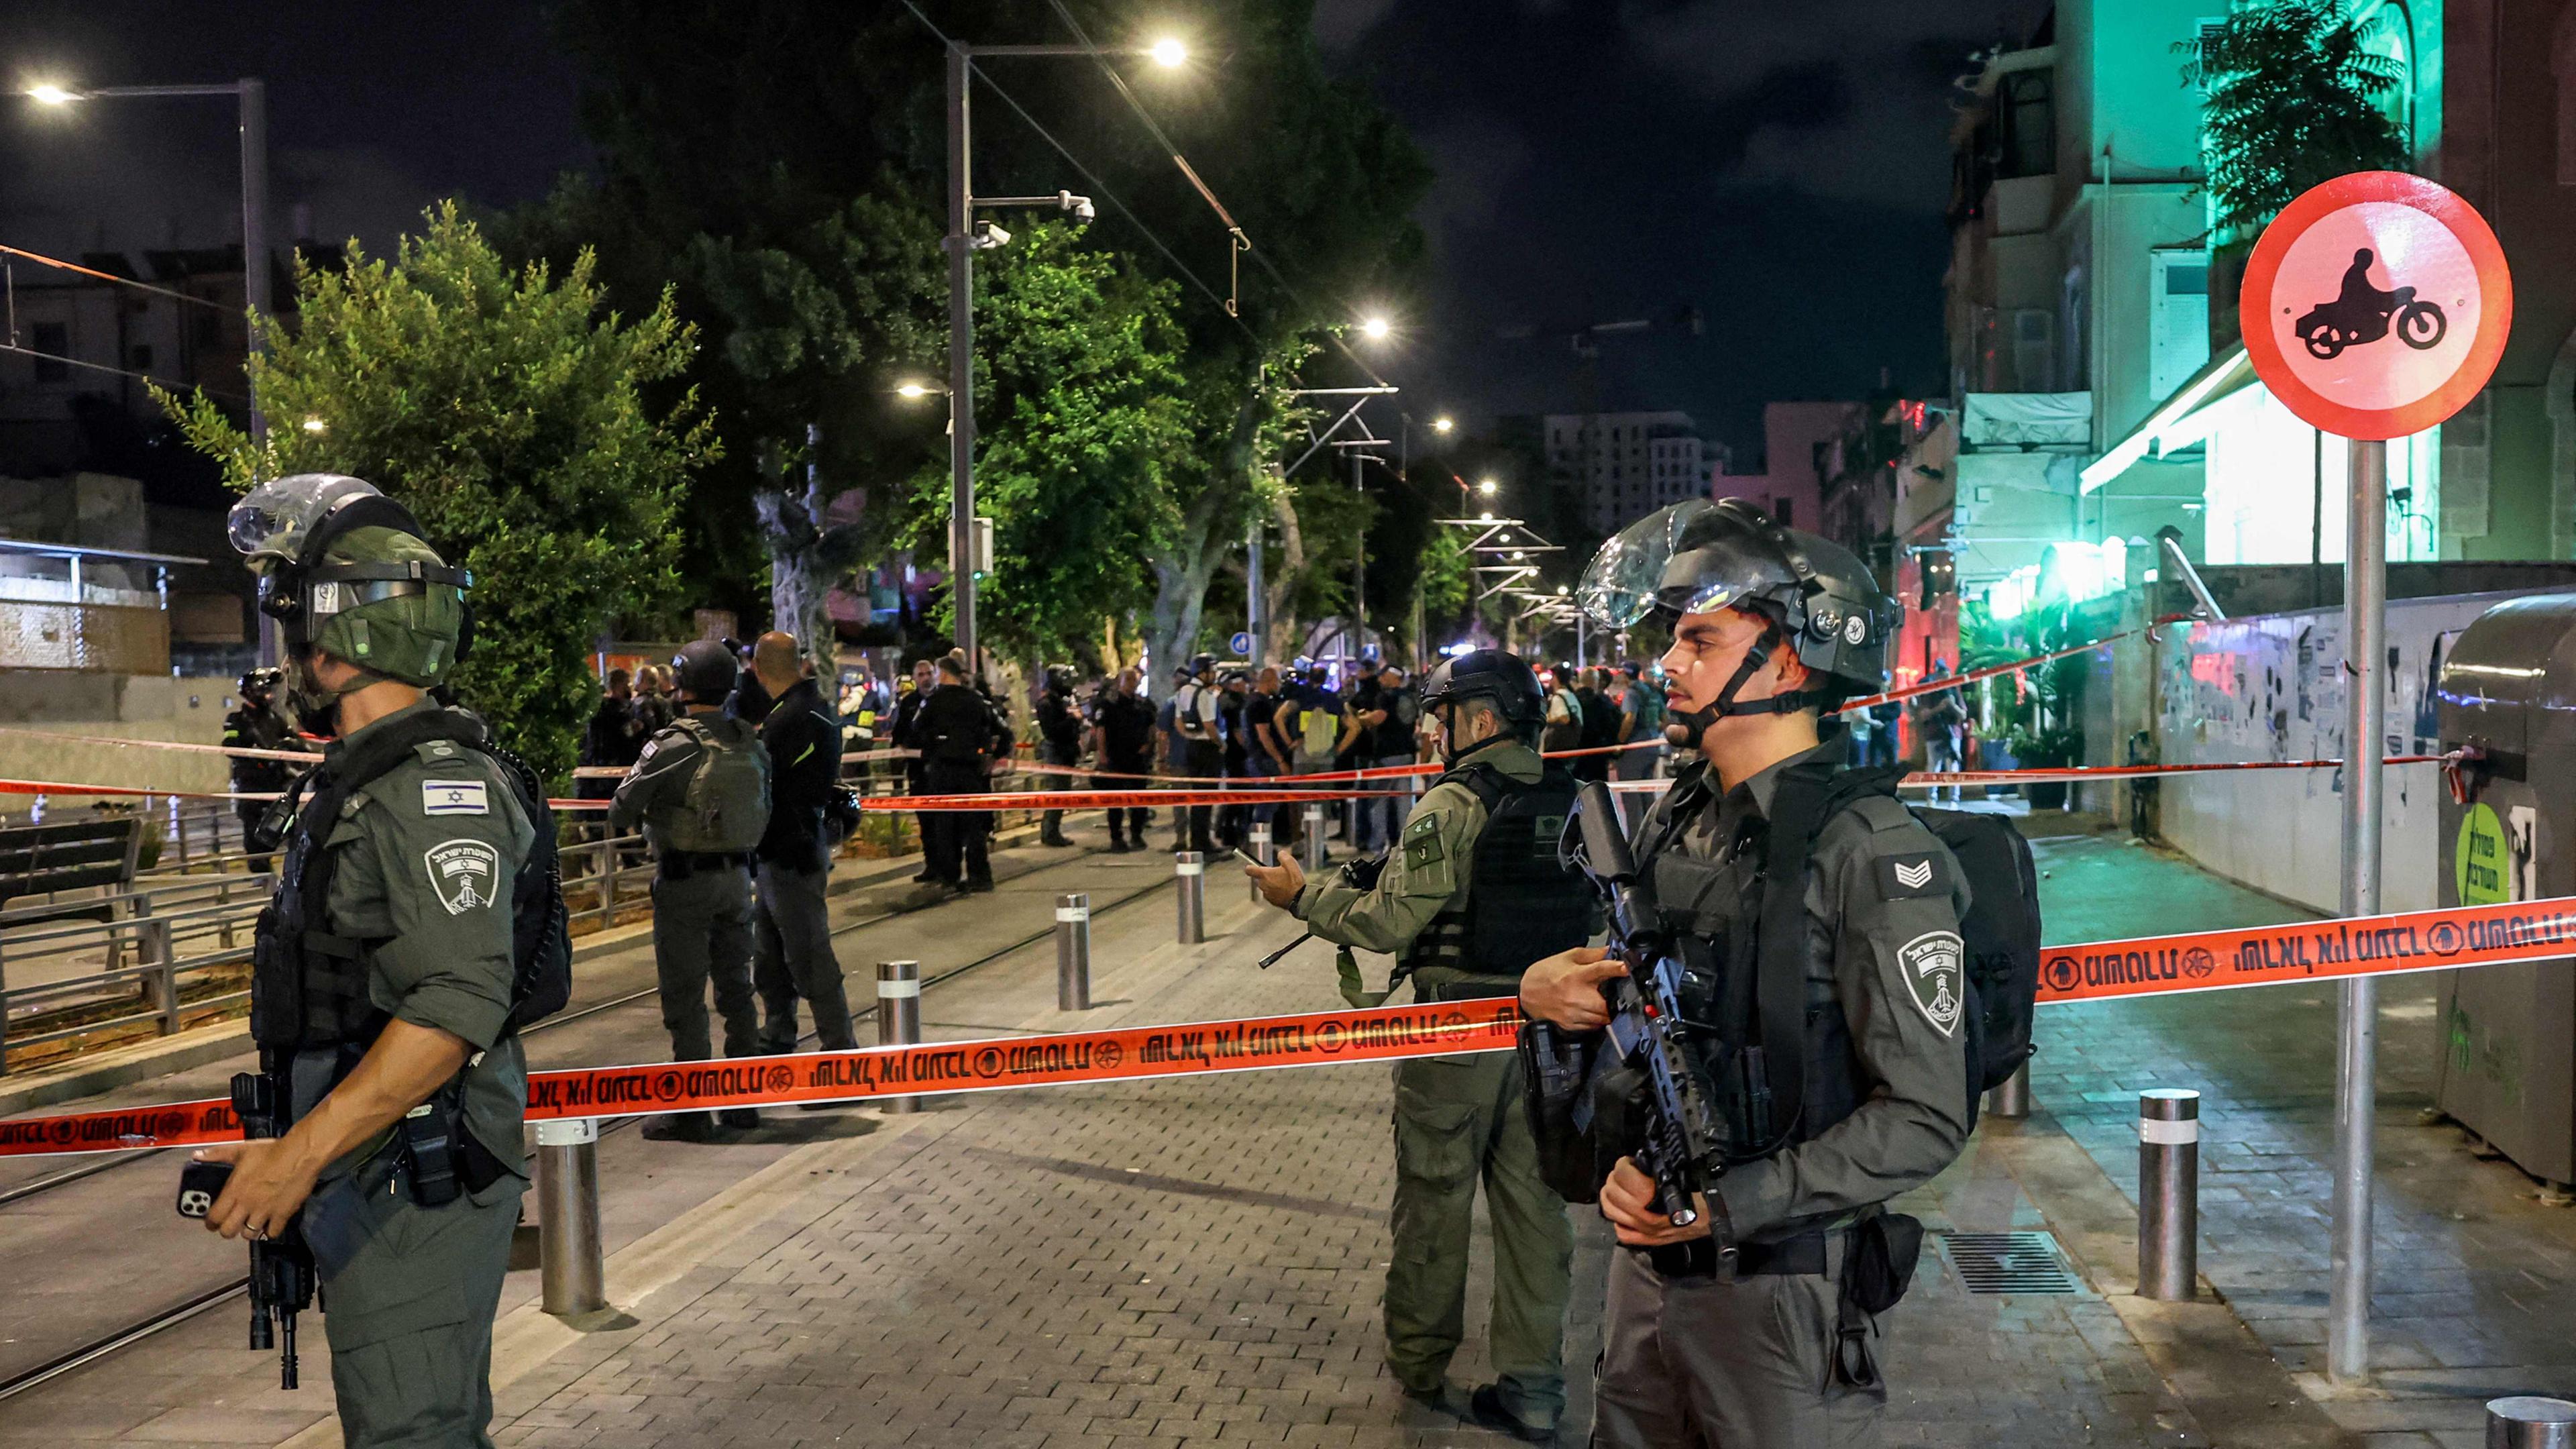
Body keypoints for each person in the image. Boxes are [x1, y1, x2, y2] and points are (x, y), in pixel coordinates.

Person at [1519, 497, 1972, 1446]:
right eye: (1672, 641)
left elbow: (1925, 1117)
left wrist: (1723, 1205)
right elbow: (1651, 1009)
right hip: (1645, 1272)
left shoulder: (1872, 853)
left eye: (1700, 640)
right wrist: (1552, 997)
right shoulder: (1679, 818)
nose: (1669, 665)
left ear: (1791, 661)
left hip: (1780, 1296)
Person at [201, 472, 535, 1445]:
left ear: (343, 632)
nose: (290, 656)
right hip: (378, 1161)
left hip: (412, 1175)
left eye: (297, 627)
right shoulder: (368, 776)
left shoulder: (433, 791)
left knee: (412, 1432)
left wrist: (294, 1160)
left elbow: (456, 1004)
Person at [1244, 649, 1593, 1444]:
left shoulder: (1454, 803)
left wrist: (1304, 897)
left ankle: (1420, 1364)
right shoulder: (1582, 799)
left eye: (1442, 717)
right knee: (1538, 1217)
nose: (1435, 734)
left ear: (1480, 719)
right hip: (1554, 1042)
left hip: (1454, 1036)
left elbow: (1388, 923)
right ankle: (1536, 1392)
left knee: (1435, 1204)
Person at [612, 639, 773, 1140]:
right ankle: (743, 1101)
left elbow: (622, 808)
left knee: (685, 999)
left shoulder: (674, 744)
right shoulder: (750, 741)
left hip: (685, 884)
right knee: (737, 991)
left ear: (681, 686)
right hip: (737, 880)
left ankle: (693, 1109)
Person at [747, 633, 853, 1060]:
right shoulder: (806, 710)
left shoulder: (793, 717)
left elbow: (765, 780)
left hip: (791, 851)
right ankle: (777, 1036)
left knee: (809, 957)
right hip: (786, 850)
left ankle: (840, 1050)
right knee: (770, 959)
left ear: (757, 668)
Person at [915, 654, 1006, 891]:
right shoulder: (977, 701)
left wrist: (931, 747)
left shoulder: (933, 702)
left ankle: (950, 875)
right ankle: (980, 876)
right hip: (972, 772)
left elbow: (915, 730)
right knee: (974, 826)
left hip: (943, 771)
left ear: (943, 674)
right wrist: (991, 757)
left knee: (946, 825)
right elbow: (1004, 734)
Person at [223, 667, 293, 874]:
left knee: (284, 827)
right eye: (265, 689)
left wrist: (290, 745)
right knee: (254, 834)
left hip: (277, 784)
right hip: (251, 785)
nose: (268, 695)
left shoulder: (274, 719)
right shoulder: (238, 720)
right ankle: (260, 876)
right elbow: (231, 746)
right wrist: (257, 756)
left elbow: (292, 740)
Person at [1350, 662, 1420, 854]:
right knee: (1403, 802)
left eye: (1383, 676)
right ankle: (1405, 844)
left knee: (1378, 802)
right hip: (1406, 754)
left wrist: (1361, 718)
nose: (1380, 679)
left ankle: (1377, 846)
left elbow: (1378, 718)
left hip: (1386, 756)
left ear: (1392, 677)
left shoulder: (1385, 696)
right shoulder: (1410, 696)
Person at [1090, 667, 1158, 853]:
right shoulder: (1108, 705)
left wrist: (1150, 746)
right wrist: (1102, 756)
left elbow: (1152, 728)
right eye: (1127, 679)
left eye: (1134, 679)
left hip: (1138, 758)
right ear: (1119, 682)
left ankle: (1137, 834)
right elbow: (1101, 731)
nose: (1131, 683)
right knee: (1115, 800)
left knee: (1139, 799)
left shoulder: (1144, 704)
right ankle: (1117, 837)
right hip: (1116, 757)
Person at [1170, 655, 1224, 855]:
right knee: (1207, 797)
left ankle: (1197, 840)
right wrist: (1221, 744)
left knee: (1196, 796)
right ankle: (1203, 843)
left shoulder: (1183, 691)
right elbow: (1210, 726)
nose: (1215, 674)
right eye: (1212, 671)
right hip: (1207, 749)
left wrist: (1189, 736)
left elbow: (1178, 723)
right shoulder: (1205, 695)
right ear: (1202, 673)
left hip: (1191, 748)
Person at [892, 657, 938, 881]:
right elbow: (899, 733)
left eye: (929, 673)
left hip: (940, 768)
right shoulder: (909, 702)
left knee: (943, 821)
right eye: (921, 675)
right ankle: (932, 865)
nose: (926, 678)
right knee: (925, 821)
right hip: (918, 771)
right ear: (915, 679)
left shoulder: (942, 699)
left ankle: (948, 868)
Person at [1244, 665, 1294, 849]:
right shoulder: (1260, 703)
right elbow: (1264, 735)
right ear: (1269, 681)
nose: (1280, 685)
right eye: (1278, 681)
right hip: (1264, 760)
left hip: (1258, 758)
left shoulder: (1254, 701)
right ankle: (1257, 845)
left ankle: (1259, 843)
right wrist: (1279, 760)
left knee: (1267, 804)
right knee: (1267, 805)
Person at [1035, 665, 1084, 849]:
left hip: (1066, 753)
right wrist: (1073, 719)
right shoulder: (1047, 704)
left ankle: (1053, 831)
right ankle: (1050, 832)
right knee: (1057, 793)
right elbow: (1052, 731)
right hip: (1056, 753)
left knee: (1062, 793)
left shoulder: (1062, 701)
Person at [579, 667, 643, 801]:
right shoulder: (620, 713)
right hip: (616, 770)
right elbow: (625, 737)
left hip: (599, 768)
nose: (630, 687)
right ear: (620, 685)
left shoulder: (599, 709)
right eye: (627, 683)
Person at [1911, 662, 1966, 805]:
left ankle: (1954, 799)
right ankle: (1932, 798)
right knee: (1933, 766)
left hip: (1952, 733)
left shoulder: (1955, 691)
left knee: (1952, 767)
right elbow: (1924, 715)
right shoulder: (1931, 692)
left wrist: (1952, 706)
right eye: (1942, 676)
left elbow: (1963, 714)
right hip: (1934, 733)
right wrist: (1940, 708)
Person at [1215, 666, 1253, 852]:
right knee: (1240, 796)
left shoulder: (1222, 700)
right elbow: (1238, 731)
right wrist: (1250, 749)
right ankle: (1235, 834)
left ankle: (1225, 831)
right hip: (1238, 755)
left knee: (1233, 795)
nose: (1248, 687)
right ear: (1238, 685)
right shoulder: (1235, 703)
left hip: (1229, 754)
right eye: (1246, 684)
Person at [1572, 667, 1622, 782]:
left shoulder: (1571, 700)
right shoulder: (1603, 703)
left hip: (1573, 755)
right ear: (1596, 682)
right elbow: (1613, 727)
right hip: (1598, 755)